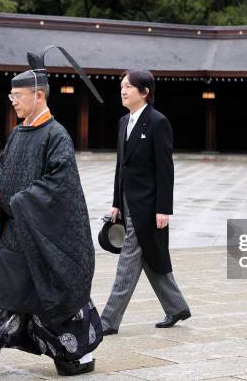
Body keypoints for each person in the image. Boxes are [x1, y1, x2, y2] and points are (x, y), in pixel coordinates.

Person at [0, 46, 104, 376]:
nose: (13, 101)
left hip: (44, 233)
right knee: (5, 286)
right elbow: (4, 170)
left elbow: (60, 184)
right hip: (17, 230)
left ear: (38, 96)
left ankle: (75, 355)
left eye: (18, 96)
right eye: (11, 97)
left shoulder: (56, 135)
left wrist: (16, 201)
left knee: (51, 296)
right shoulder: (18, 133)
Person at [100, 69, 191, 335]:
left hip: (149, 206)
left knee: (128, 262)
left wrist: (164, 208)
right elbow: (121, 166)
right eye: (121, 87)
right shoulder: (122, 122)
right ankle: (176, 307)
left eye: (128, 87)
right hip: (128, 202)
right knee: (150, 256)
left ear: (145, 92)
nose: (123, 91)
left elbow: (165, 169)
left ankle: (108, 320)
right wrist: (116, 202)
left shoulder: (158, 122)